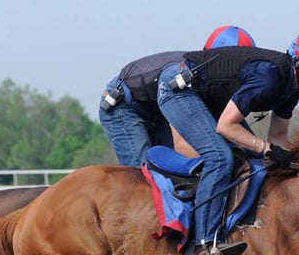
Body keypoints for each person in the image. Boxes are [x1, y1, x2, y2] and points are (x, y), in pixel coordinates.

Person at [156, 24, 299, 255]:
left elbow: (277, 137)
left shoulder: (292, 90)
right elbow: (226, 126)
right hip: (178, 89)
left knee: (248, 158)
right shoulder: (270, 77)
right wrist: (266, 149)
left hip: (208, 97)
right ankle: (205, 244)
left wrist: (297, 165)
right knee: (220, 158)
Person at [99, 26, 256, 167]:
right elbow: (183, 145)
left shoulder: (216, 82)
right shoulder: (187, 78)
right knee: (144, 177)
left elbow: (241, 136)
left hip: (156, 109)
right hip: (123, 108)